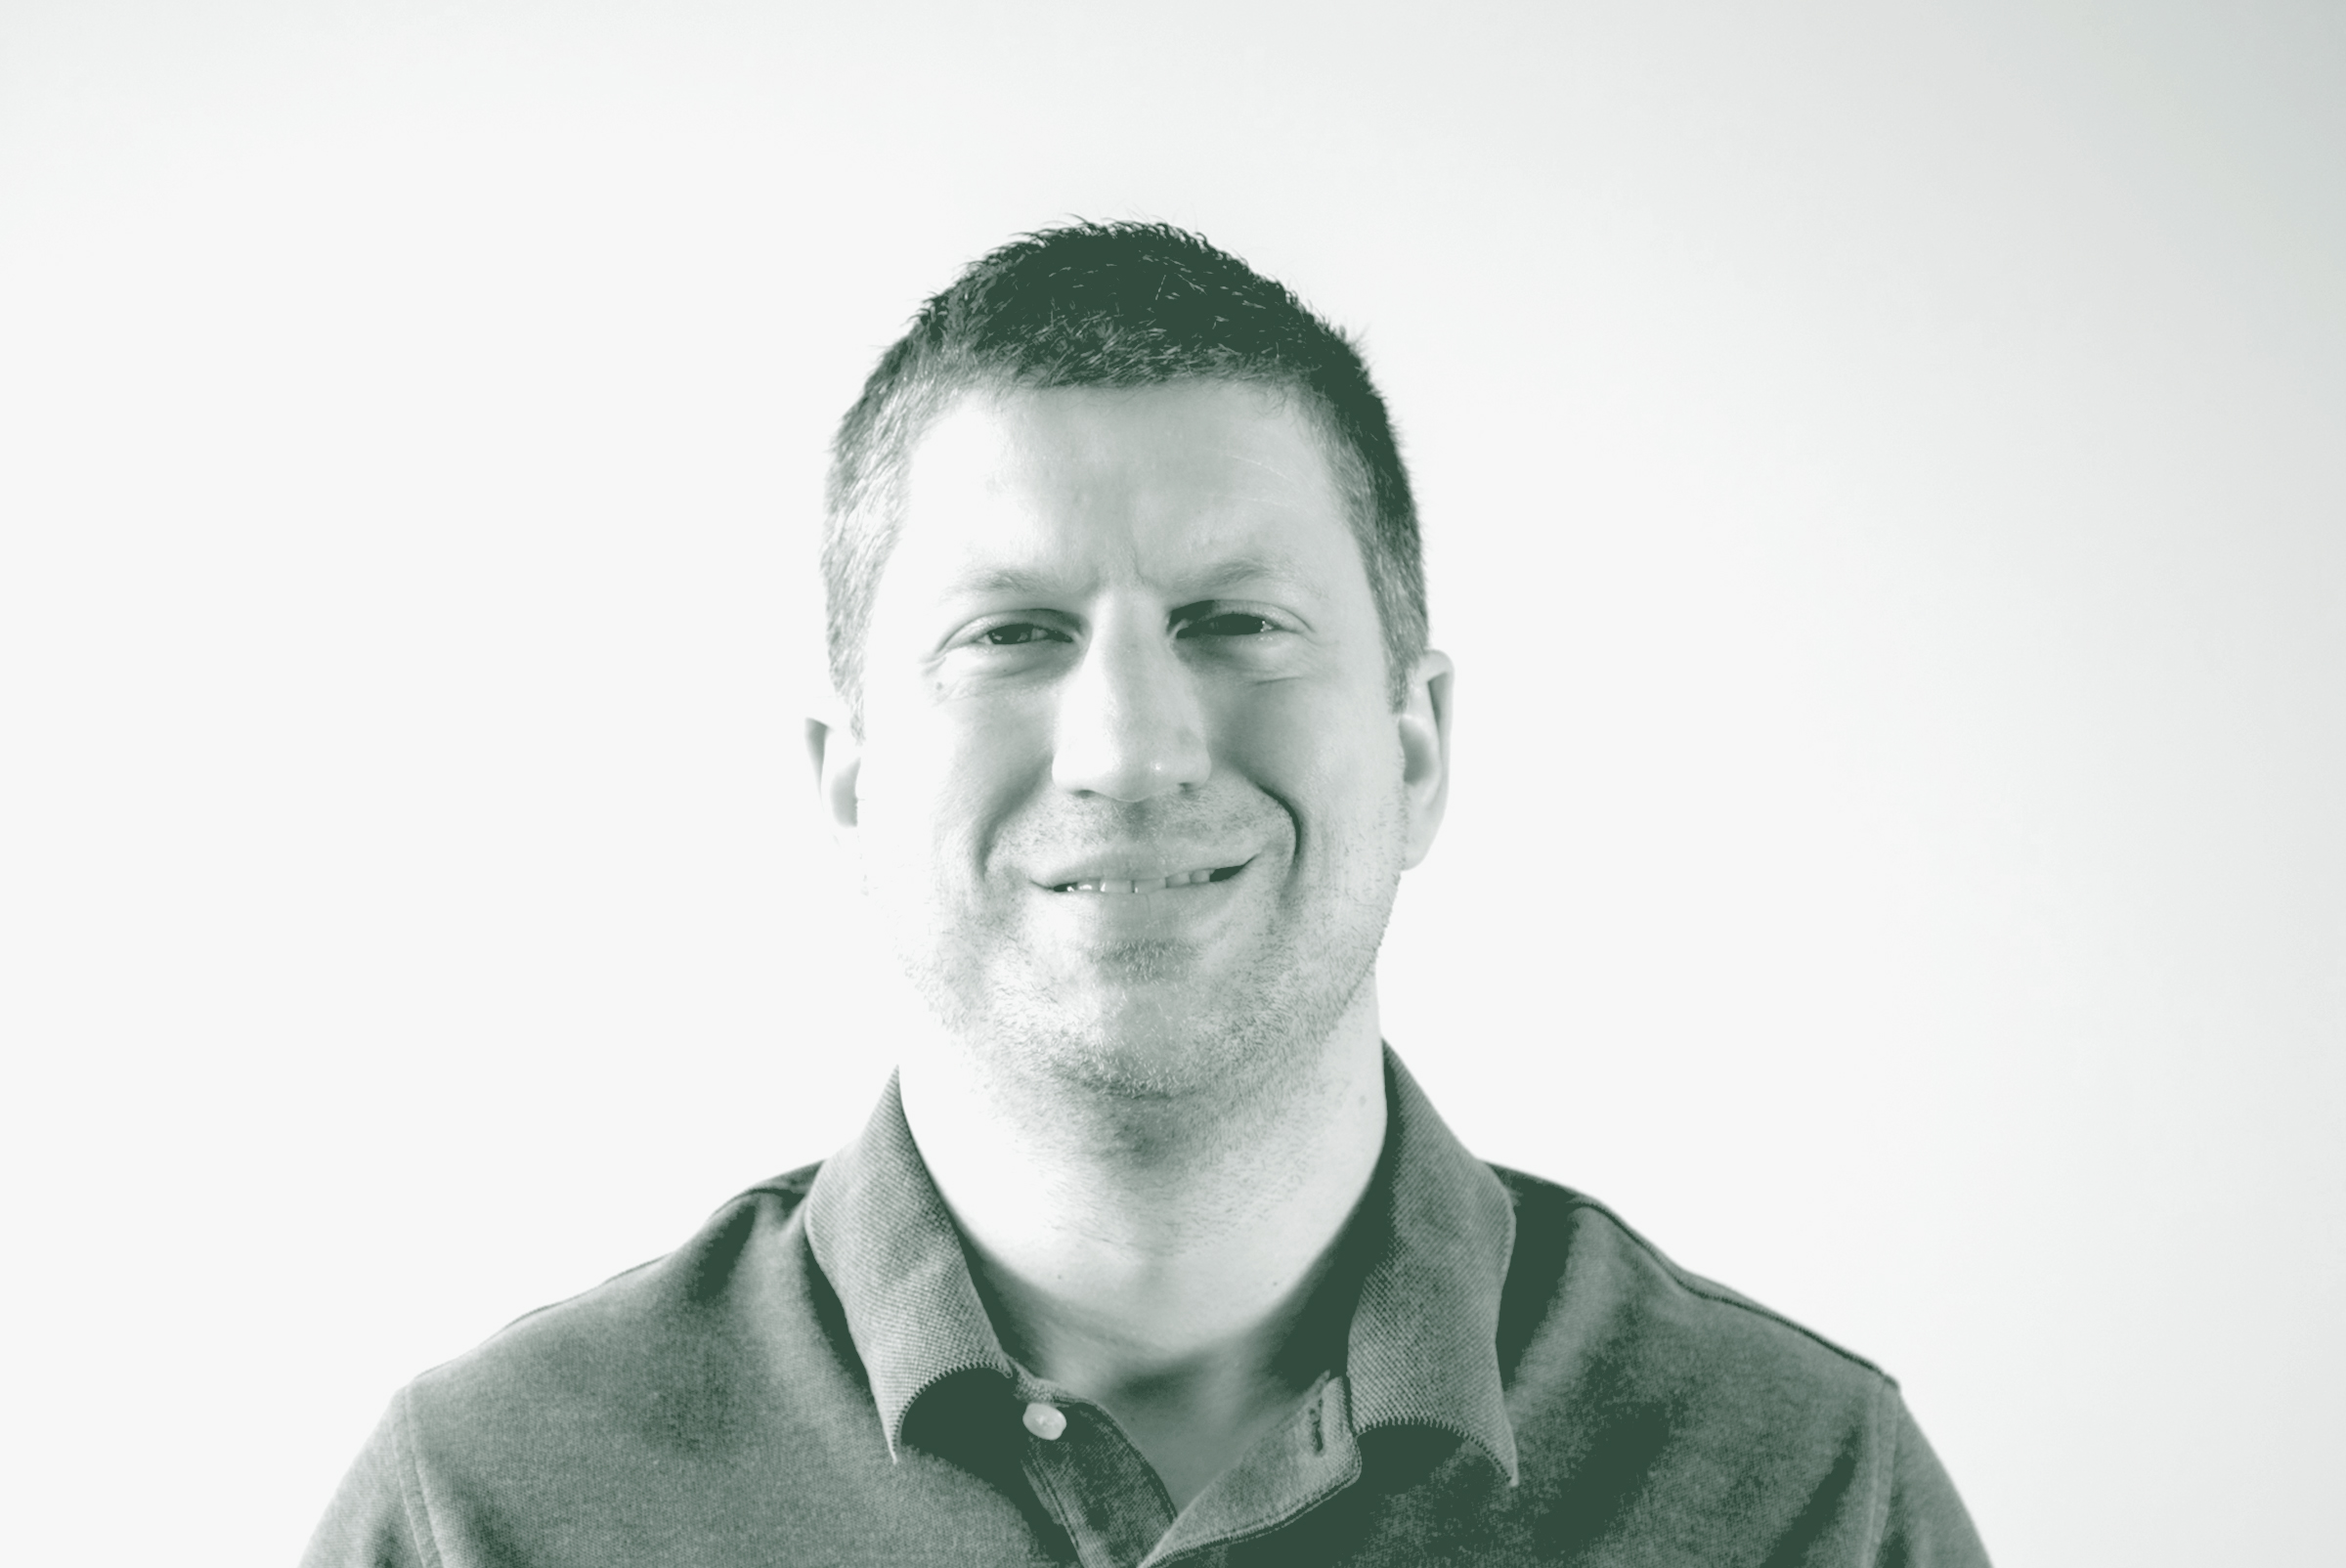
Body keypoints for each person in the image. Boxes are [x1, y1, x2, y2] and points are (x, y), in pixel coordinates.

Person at [305, 222, 1990, 1566]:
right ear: (852, 775)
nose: (1126, 744)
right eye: (1012, 636)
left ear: (1416, 753)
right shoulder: (494, 1513)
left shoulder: (1798, 1499)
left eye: (1236, 622)